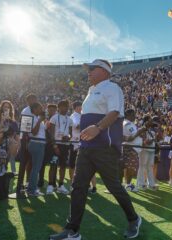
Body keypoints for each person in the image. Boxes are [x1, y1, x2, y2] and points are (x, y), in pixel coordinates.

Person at [49, 59, 141, 240]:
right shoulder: (90, 91)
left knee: (113, 186)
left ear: (104, 71)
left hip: (104, 147)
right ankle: (72, 230)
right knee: (78, 186)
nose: (88, 72)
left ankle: (134, 219)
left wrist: (97, 128)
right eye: (88, 69)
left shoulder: (112, 88)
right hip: (87, 147)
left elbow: (114, 113)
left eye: (92, 69)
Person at [47, 100, 73, 195]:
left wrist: (68, 137)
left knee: (62, 166)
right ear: (59, 108)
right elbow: (51, 133)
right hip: (55, 145)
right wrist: (54, 146)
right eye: (63, 106)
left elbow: (71, 134)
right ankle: (50, 185)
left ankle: (61, 185)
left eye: (66, 107)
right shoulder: (54, 118)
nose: (65, 108)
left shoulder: (69, 119)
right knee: (53, 165)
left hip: (65, 146)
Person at [0, 100, 19, 176]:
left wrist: (10, 120)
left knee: (7, 158)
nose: (6, 108)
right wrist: (2, 121)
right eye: (5, 107)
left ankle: (6, 170)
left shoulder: (12, 120)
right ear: (1, 108)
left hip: (9, 142)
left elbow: (16, 130)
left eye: (8, 107)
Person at [26, 102, 46, 196]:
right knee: (36, 168)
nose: (42, 109)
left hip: (37, 143)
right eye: (40, 108)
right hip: (36, 143)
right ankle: (31, 190)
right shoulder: (34, 119)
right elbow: (34, 132)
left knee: (35, 168)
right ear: (34, 109)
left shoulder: (37, 118)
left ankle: (31, 188)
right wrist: (39, 121)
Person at [123, 109, 144, 192]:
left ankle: (127, 184)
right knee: (130, 167)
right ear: (128, 115)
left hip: (132, 148)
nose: (135, 116)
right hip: (131, 148)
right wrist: (141, 131)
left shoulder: (129, 123)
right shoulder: (127, 124)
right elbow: (132, 136)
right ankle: (128, 185)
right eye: (133, 114)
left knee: (129, 167)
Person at [137, 115, 157, 190]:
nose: (152, 121)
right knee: (142, 166)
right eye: (150, 120)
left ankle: (151, 184)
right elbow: (144, 142)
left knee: (150, 167)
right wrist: (151, 140)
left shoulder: (152, 131)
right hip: (144, 150)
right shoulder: (141, 129)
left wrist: (154, 139)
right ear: (146, 121)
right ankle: (141, 183)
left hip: (151, 150)